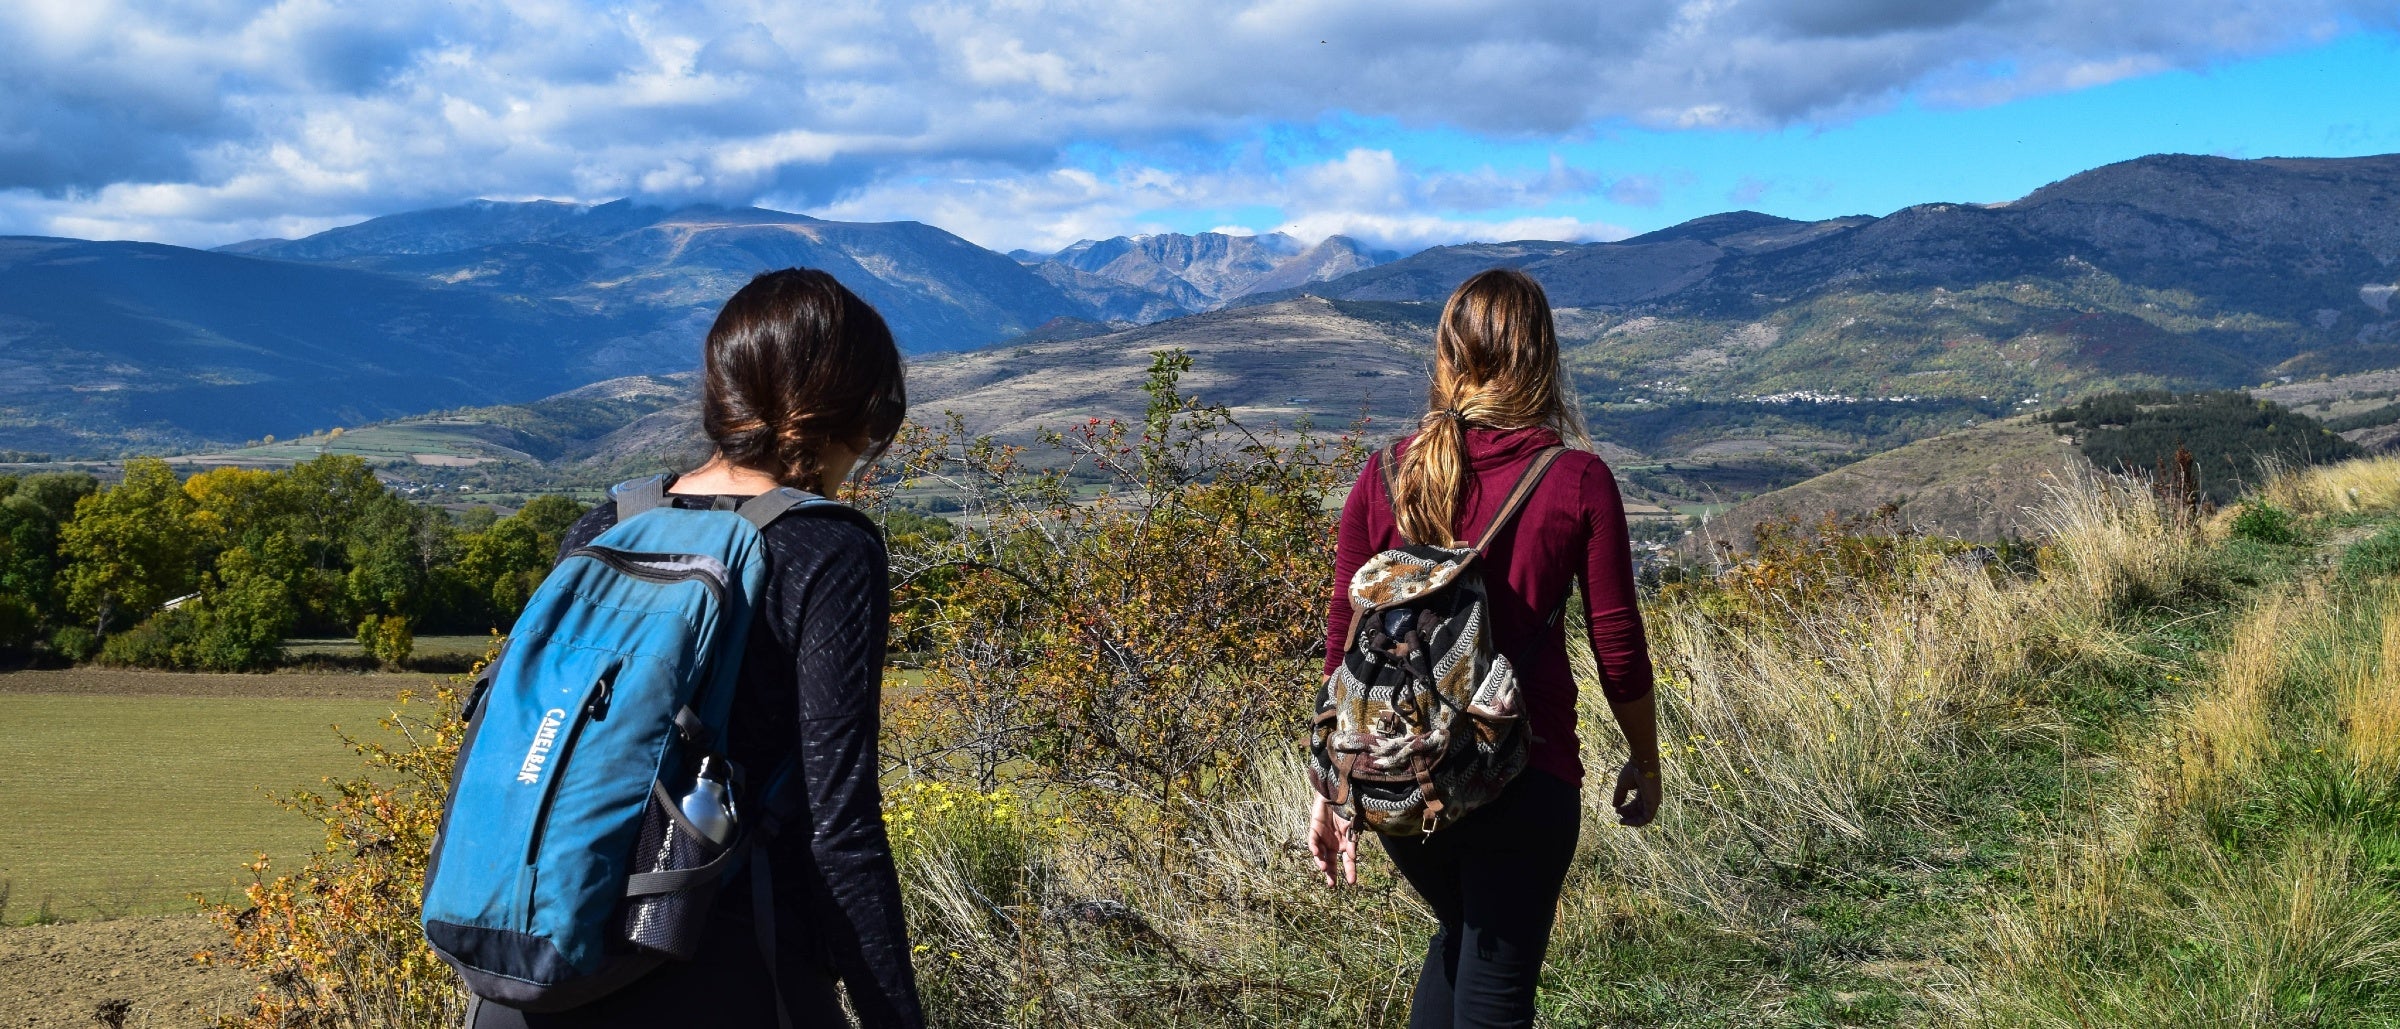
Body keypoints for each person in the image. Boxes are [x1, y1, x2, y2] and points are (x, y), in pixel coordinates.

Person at [472, 268, 924, 1029]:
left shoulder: (603, 526)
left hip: (528, 979)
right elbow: (840, 829)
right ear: (849, 409)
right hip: (720, 974)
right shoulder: (825, 549)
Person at [1309, 268, 1662, 1029]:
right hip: (1522, 775)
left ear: (1446, 356)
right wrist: (1646, 757)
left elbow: (1345, 639)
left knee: (1463, 943)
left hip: (1402, 779)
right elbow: (1619, 649)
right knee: (1494, 996)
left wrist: (1332, 783)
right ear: (1542, 358)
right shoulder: (1575, 480)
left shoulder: (1386, 473)